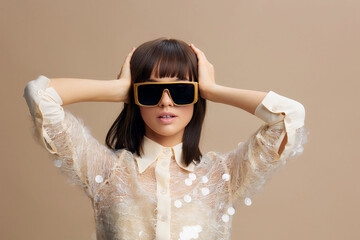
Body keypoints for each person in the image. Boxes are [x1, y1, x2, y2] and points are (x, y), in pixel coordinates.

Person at [23, 37, 308, 240]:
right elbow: (40, 96)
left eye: (181, 91)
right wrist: (118, 87)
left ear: (197, 98)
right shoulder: (107, 172)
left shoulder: (223, 176)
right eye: (150, 91)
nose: (166, 102)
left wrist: (211, 88)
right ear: (134, 98)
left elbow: (290, 116)